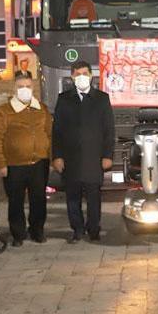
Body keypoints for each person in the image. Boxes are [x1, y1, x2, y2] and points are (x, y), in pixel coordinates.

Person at [52, 61, 115, 243]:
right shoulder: (64, 99)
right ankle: (77, 230)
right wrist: (57, 156)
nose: (81, 77)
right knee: (73, 198)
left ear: (91, 75)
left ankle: (94, 229)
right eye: (77, 73)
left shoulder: (102, 98)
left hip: (94, 159)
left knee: (94, 197)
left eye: (85, 73)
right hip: (71, 159)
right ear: (72, 77)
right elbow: (57, 130)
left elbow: (108, 130)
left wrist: (107, 156)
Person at [0, 74, 52, 247]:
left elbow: (50, 134)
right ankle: (18, 233)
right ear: (14, 89)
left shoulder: (42, 109)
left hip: (39, 163)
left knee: (39, 199)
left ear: (33, 88)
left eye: (27, 86)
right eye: (20, 86)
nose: (24, 89)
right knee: (15, 201)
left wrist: (52, 157)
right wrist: (1, 163)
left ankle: (37, 231)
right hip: (14, 165)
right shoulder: (5, 111)